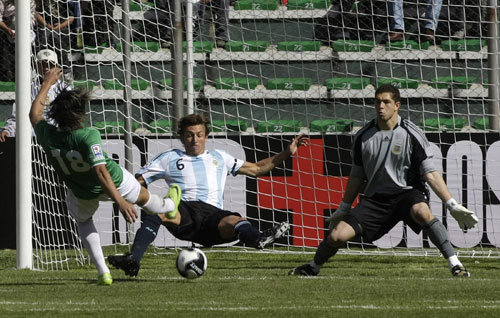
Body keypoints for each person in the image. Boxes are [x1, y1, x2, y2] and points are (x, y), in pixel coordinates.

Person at [289, 84, 478, 277]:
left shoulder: (412, 133)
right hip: (375, 199)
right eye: (377, 102)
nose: (381, 106)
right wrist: (344, 207)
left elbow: (430, 173)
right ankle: (313, 267)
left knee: (422, 211)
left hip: (407, 193)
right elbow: (356, 175)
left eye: (386, 102)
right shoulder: (363, 136)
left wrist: (452, 205)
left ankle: (455, 264)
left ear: (397, 105)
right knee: (337, 235)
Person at [29, 67, 182, 285]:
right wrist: (120, 201)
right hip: (115, 181)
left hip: (82, 191)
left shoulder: (47, 134)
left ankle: (103, 272)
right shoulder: (88, 135)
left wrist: (46, 84)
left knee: (83, 221)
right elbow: (101, 171)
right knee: (145, 200)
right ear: (80, 114)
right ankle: (169, 205)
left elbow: (34, 114)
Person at [108, 114, 306, 277]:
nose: (195, 140)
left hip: (212, 216)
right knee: (158, 210)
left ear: (206, 137)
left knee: (234, 220)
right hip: (184, 212)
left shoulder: (219, 157)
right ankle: (133, 260)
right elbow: (138, 182)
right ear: (181, 137)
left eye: (199, 135)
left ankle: (259, 238)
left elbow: (257, 169)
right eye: (189, 135)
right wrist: (120, 197)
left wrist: (286, 153)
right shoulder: (169, 158)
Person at [0, 49, 68, 142]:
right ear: (36, 66)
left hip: (57, 137)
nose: (46, 68)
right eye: (43, 64)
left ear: (57, 67)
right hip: (32, 139)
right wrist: (8, 130)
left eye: (50, 64)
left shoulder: (66, 89)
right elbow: (17, 116)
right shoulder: (27, 89)